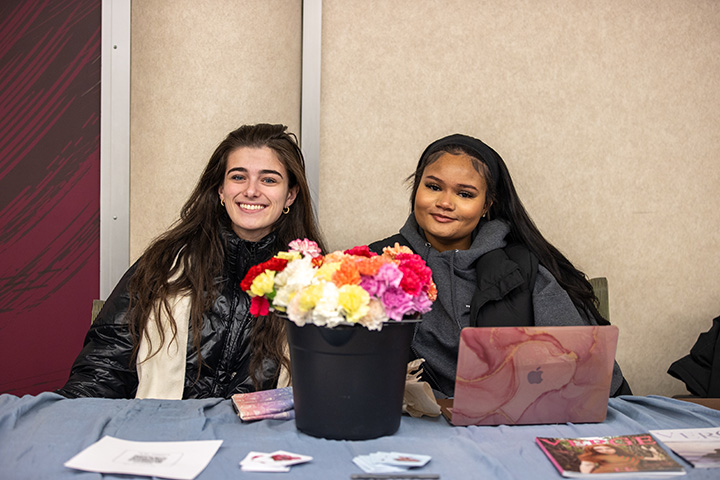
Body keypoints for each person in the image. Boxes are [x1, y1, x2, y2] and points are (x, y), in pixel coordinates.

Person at [57, 123, 326, 399]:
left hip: (260, 438)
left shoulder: (318, 282)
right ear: (220, 190)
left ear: (290, 195)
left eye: (269, 180)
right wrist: (68, 419)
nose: (251, 191)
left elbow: (330, 383)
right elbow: (105, 364)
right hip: (164, 435)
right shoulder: (164, 263)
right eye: (238, 177)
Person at [369, 133, 631, 397]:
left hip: (511, 425)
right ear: (417, 188)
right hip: (410, 424)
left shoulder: (522, 268)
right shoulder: (372, 264)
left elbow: (589, 369)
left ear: (486, 205)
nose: (445, 203)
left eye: (465, 194)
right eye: (434, 187)